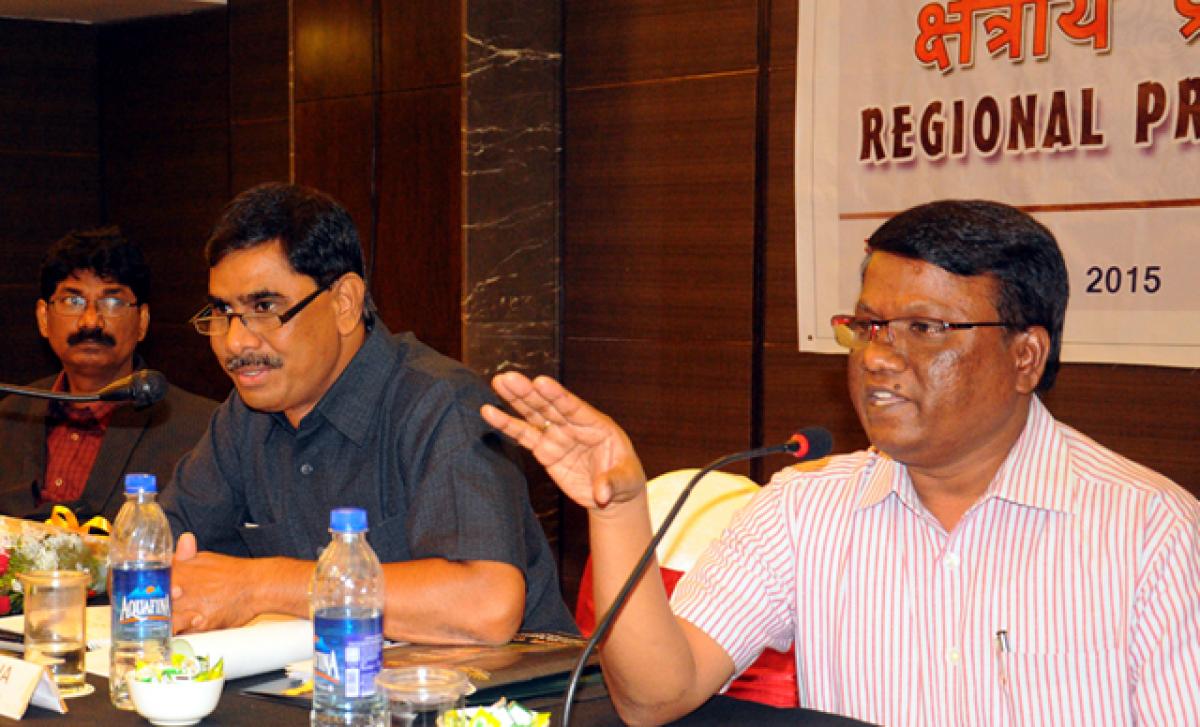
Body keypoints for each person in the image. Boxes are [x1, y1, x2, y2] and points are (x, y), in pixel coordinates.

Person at [481, 200, 1200, 725]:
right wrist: (617, 508)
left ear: (1025, 356)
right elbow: (654, 695)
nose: (879, 357)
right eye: (868, 326)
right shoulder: (804, 506)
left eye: (924, 328)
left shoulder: (1148, 531)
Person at [163, 182, 576, 644]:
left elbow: (486, 606)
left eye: (264, 307)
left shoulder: (441, 403)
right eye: (223, 311)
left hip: (497, 701)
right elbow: (161, 551)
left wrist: (261, 584)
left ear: (344, 303)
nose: (236, 341)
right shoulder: (245, 417)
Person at [0, 228, 216, 522]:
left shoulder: (201, 428)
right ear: (43, 318)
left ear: (142, 321)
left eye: (112, 302)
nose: (91, 321)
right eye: (72, 301)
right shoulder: (8, 415)